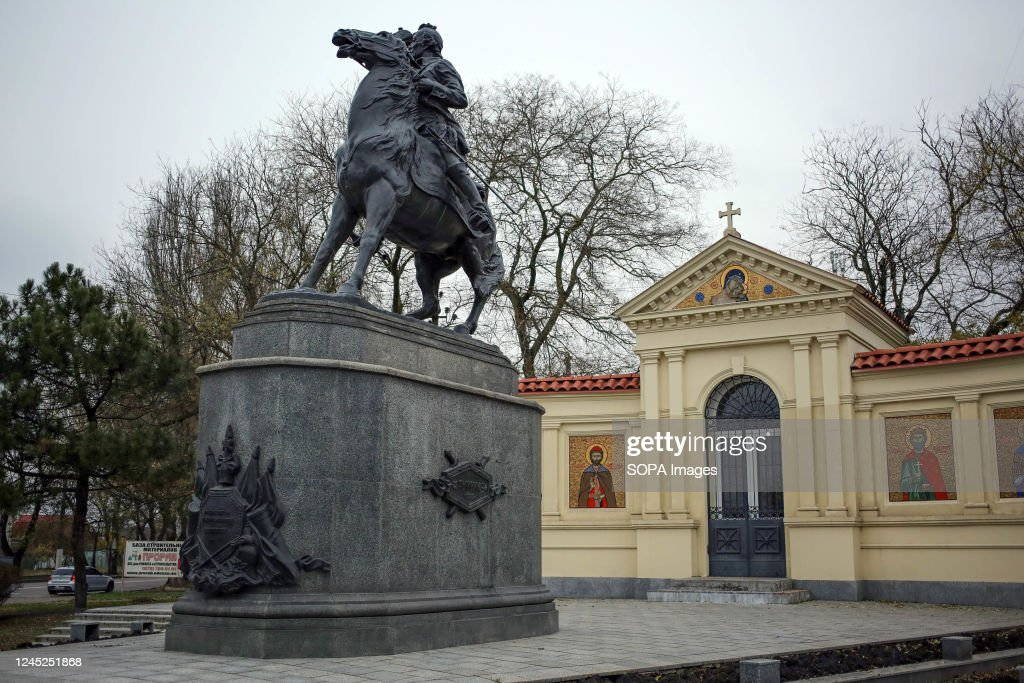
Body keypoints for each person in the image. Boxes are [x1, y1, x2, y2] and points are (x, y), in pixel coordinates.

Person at [409, 23, 494, 237]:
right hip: (407, 127)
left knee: (451, 165)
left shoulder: (440, 66)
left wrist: (432, 86)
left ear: (427, 43)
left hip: (434, 125)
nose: (412, 46)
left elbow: (460, 99)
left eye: (416, 42)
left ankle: (477, 209)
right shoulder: (409, 67)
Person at [898, 426, 948, 501]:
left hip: (930, 495)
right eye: (915, 438)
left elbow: (938, 481)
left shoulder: (932, 458)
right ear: (911, 441)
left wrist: (930, 485)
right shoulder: (908, 459)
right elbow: (903, 485)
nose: (918, 440)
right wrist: (913, 478)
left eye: (920, 437)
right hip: (913, 496)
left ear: (924, 440)